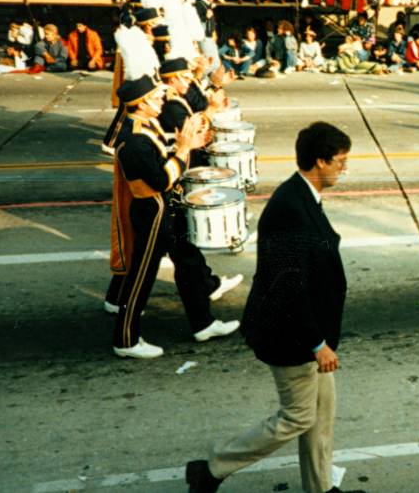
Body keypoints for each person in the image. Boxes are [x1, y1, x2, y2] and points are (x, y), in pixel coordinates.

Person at [185, 122, 357, 493]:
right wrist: (317, 344)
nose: (344, 168)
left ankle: (321, 488)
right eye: (340, 162)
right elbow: (287, 289)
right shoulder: (291, 208)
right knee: (297, 417)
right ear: (319, 161)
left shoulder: (303, 196)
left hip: (312, 333)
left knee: (320, 416)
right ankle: (213, 466)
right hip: (292, 336)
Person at [108, 75, 240, 359]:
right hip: (152, 210)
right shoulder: (134, 139)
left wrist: (187, 145)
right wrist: (182, 150)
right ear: (141, 104)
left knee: (188, 259)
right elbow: (159, 179)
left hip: (162, 206)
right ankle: (126, 339)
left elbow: (163, 155)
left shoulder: (144, 126)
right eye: (155, 99)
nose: (160, 102)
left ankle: (203, 324)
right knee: (141, 277)